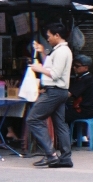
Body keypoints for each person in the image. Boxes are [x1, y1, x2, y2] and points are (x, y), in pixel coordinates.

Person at [27, 22, 73, 168]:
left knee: (33, 119)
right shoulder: (59, 50)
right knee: (60, 125)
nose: (47, 39)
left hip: (54, 91)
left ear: (57, 35)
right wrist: (42, 52)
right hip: (60, 91)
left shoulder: (61, 51)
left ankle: (51, 155)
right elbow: (52, 65)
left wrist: (38, 68)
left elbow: (54, 73)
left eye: (49, 36)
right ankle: (65, 158)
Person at [66, 54, 93, 123]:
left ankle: (66, 134)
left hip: (86, 111)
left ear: (86, 67)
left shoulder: (85, 79)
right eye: (74, 65)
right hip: (91, 110)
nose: (74, 68)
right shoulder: (85, 77)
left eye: (77, 66)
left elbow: (69, 94)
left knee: (60, 115)